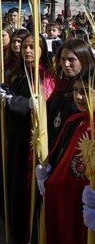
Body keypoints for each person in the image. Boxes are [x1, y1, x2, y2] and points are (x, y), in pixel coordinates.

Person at [0, 32, 54, 243]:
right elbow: (7, 92)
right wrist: (1, 91)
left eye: (32, 47)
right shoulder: (19, 72)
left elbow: (41, 106)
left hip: (31, 140)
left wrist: (17, 102)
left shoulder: (45, 75)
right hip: (14, 136)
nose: (27, 50)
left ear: (41, 49)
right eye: (25, 47)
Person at [40, 68, 92, 244]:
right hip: (67, 204)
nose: (79, 96)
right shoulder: (76, 120)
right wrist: (47, 173)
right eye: (76, 90)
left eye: (86, 91)